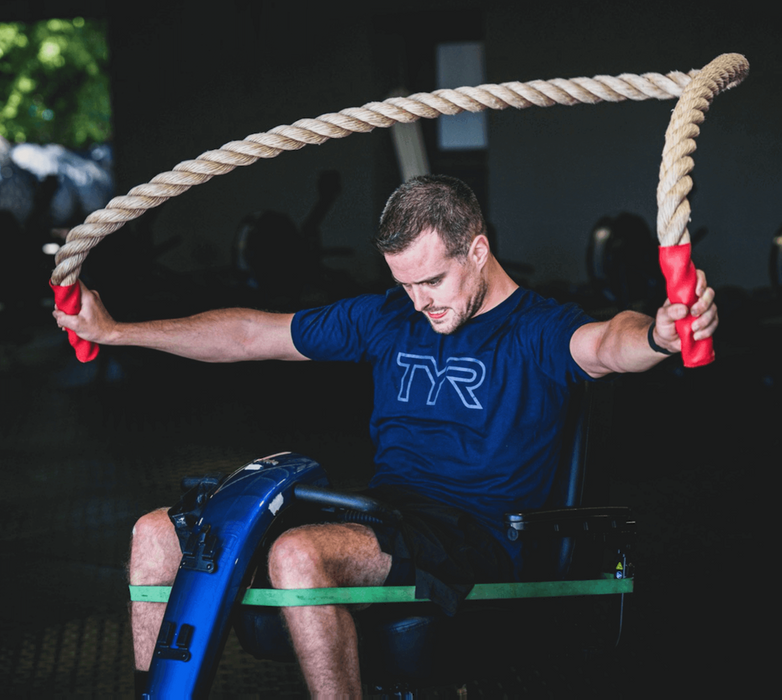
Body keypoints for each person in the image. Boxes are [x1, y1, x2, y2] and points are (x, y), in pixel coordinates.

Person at [53, 175, 717, 697]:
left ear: (479, 249)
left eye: (433, 280)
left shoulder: (538, 330)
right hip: (387, 515)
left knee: (297, 558)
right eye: (406, 284)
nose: (421, 302)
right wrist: (117, 332)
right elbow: (252, 334)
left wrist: (661, 335)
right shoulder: (389, 316)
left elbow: (609, 343)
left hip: (472, 535)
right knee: (155, 534)